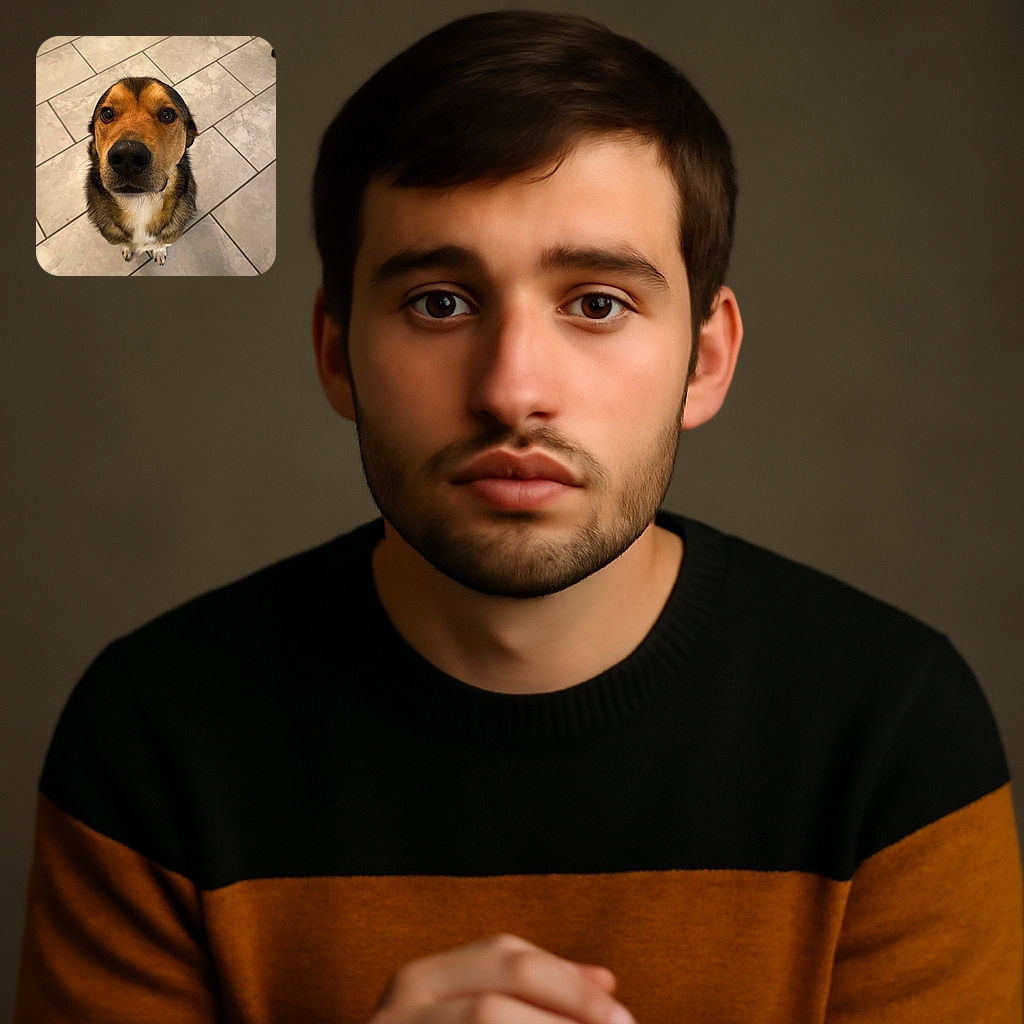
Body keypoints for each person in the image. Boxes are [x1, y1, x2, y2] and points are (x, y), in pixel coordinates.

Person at [15, 11, 1021, 1023]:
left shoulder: (891, 730)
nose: (511, 392)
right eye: (440, 303)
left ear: (705, 360)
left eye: (597, 303)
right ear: (335, 353)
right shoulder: (157, 736)